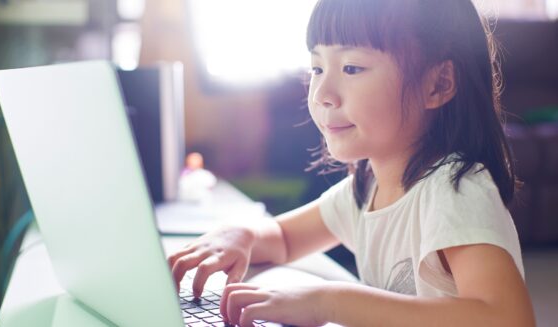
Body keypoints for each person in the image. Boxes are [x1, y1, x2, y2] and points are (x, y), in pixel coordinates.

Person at [168, 0, 536, 326]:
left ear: (437, 85)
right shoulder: (368, 187)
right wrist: (241, 236)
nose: (323, 95)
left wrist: (329, 302)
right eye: (316, 69)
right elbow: (283, 238)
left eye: (352, 68)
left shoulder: (454, 190)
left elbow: (506, 318)